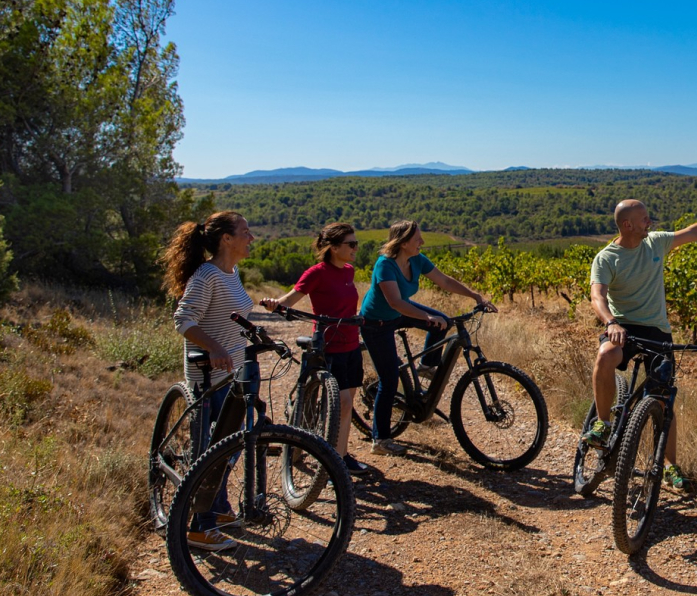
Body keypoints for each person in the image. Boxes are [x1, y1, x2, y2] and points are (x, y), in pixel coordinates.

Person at [584, 200, 697, 493]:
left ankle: (669, 468)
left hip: (657, 330)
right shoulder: (607, 258)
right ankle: (602, 424)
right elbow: (597, 297)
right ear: (627, 225)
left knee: (664, 401)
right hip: (622, 326)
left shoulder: (655, 243)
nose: (649, 222)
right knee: (605, 355)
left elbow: (692, 232)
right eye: (644, 219)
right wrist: (610, 323)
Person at [359, 220, 495, 455]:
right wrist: (426, 316)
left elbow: (444, 281)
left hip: (398, 313)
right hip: (376, 323)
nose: (422, 242)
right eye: (417, 239)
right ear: (402, 243)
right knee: (389, 380)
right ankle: (380, 440)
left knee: (443, 321)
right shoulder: (385, 265)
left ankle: (426, 366)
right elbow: (395, 302)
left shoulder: (416, 260)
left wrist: (475, 296)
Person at [162, 210, 256, 551]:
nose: (252, 237)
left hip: (231, 376)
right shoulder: (207, 275)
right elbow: (184, 320)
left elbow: (231, 316)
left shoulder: (232, 272)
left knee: (229, 449)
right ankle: (198, 528)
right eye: (245, 232)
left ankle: (216, 511)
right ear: (226, 239)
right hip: (208, 377)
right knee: (212, 453)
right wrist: (214, 346)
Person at [260, 223, 369, 476]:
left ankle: (340, 456)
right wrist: (275, 304)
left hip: (351, 344)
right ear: (333, 248)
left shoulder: (349, 271)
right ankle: (333, 463)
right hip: (329, 347)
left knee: (347, 403)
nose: (355, 249)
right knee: (340, 402)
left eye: (356, 243)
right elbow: (290, 299)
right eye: (351, 244)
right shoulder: (316, 273)